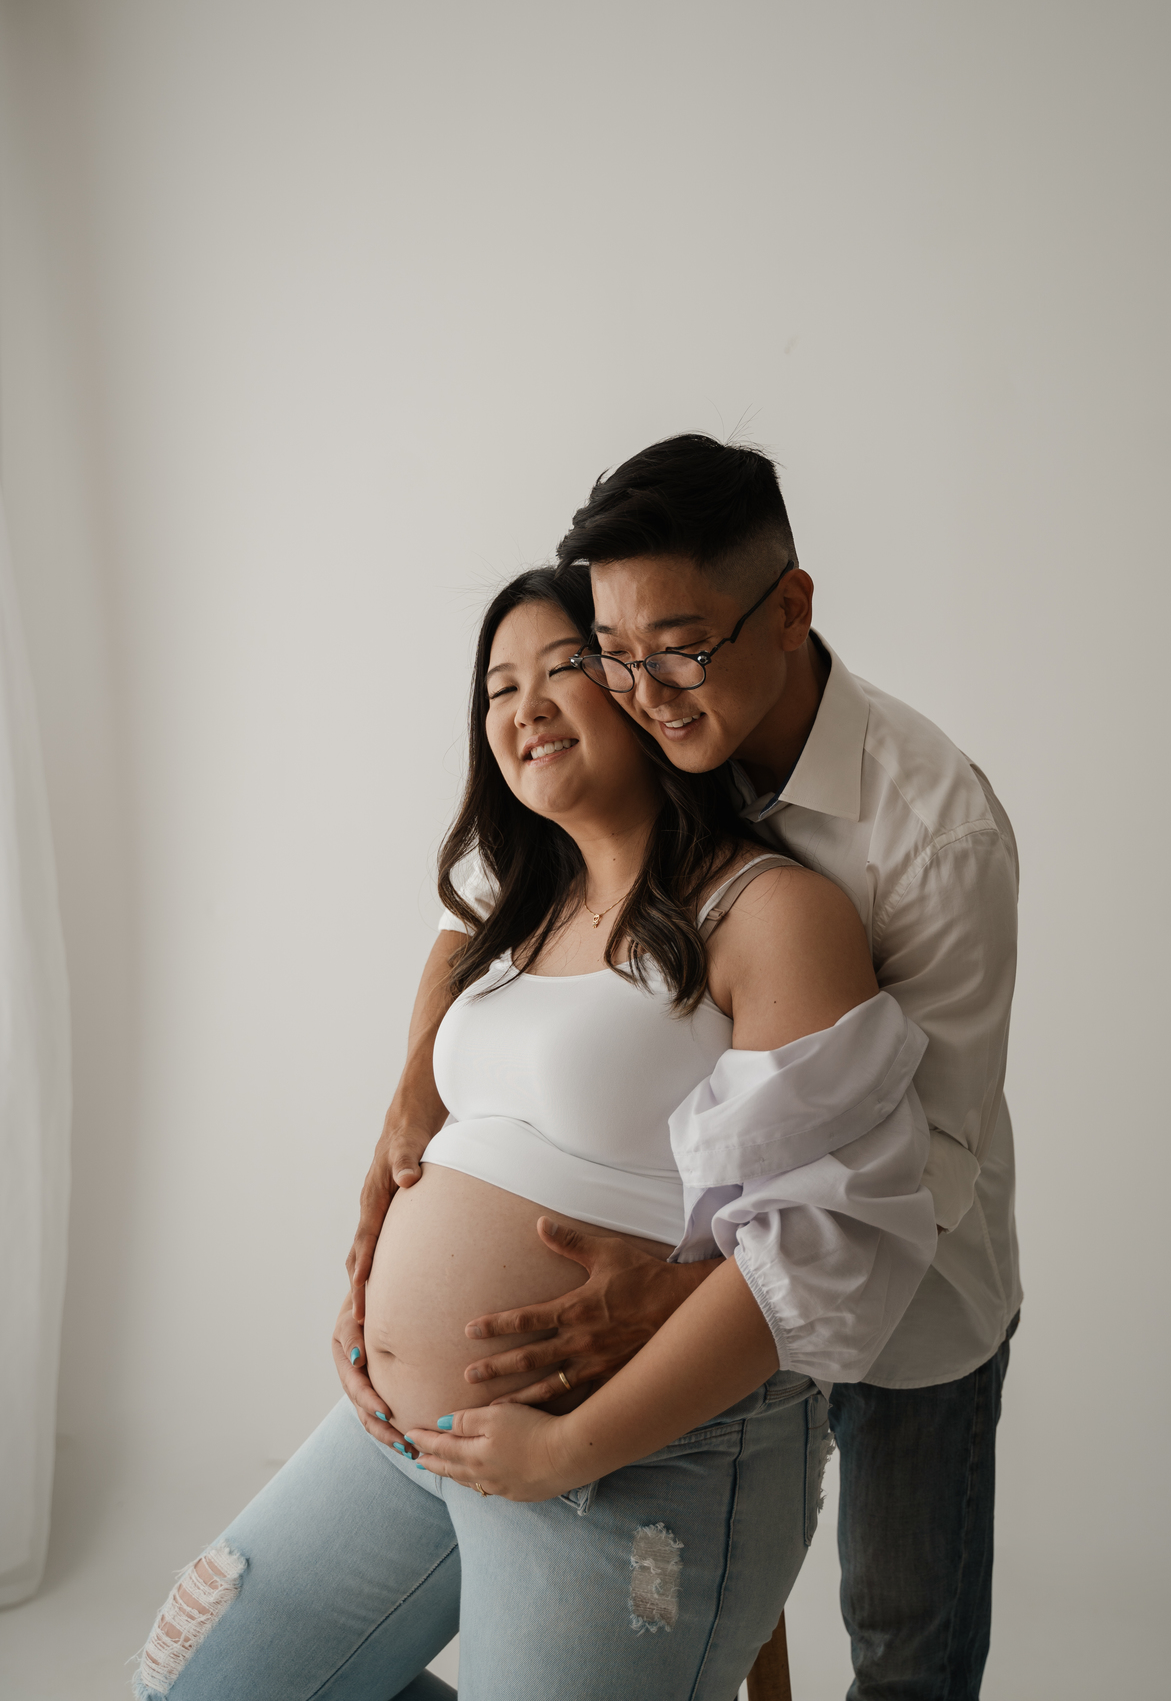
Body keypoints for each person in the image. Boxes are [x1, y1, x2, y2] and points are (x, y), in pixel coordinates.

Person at [135, 565, 935, 1701]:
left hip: (635, 1464)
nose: (525, 706)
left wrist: (568, 1447)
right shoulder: (515, 911)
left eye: (563, 667)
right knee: (191, 1685)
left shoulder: (768, 913)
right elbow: (449, 998)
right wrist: (389, 1209)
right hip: (404, 1444)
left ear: (639, 686)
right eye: (498, 687)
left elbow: (830, 1246)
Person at [342, 438, 1021, 1701]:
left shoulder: (934, 835)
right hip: (700, 1298)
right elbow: (492, 907)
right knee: (731, 1564)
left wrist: (690, 1291)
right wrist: (413, 1100)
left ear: (792, 607)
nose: (645, 691)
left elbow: (921, 1160)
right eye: (614, 651)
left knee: (903, 1641)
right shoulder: (658, 736)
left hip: (907, 1295)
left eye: (681, 648)